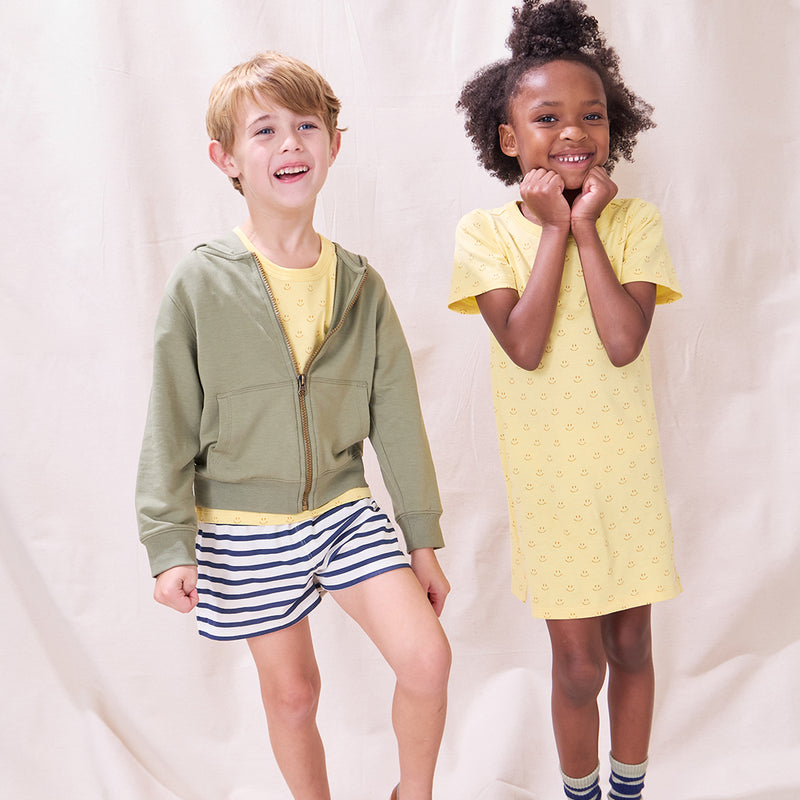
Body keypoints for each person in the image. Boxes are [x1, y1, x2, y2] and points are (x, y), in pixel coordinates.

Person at [136, 51, 451, 800]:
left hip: (342, 508)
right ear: (226, 159)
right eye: (265, 130)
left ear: (334, 146)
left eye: (307, 126)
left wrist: (421, 538)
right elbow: (169, 419)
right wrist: (168, 543)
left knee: (427, 659)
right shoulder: (200, 281)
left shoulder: (360, 285)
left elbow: (397, 416)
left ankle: (413, 794)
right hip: (241, 525)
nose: (290, 144)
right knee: (294, 696)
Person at [448, 2, 681, 798]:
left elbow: (623, 341)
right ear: (509, 138)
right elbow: (523, 343)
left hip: (626, 474)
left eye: (592, 115)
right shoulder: (485, 233)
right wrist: (552, 230)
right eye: (547, 118)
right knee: (579, 667)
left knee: (633, 647)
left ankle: (629, 791)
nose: (574, 131)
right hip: (551, 482)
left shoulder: (633, 222)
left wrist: (586, 228)